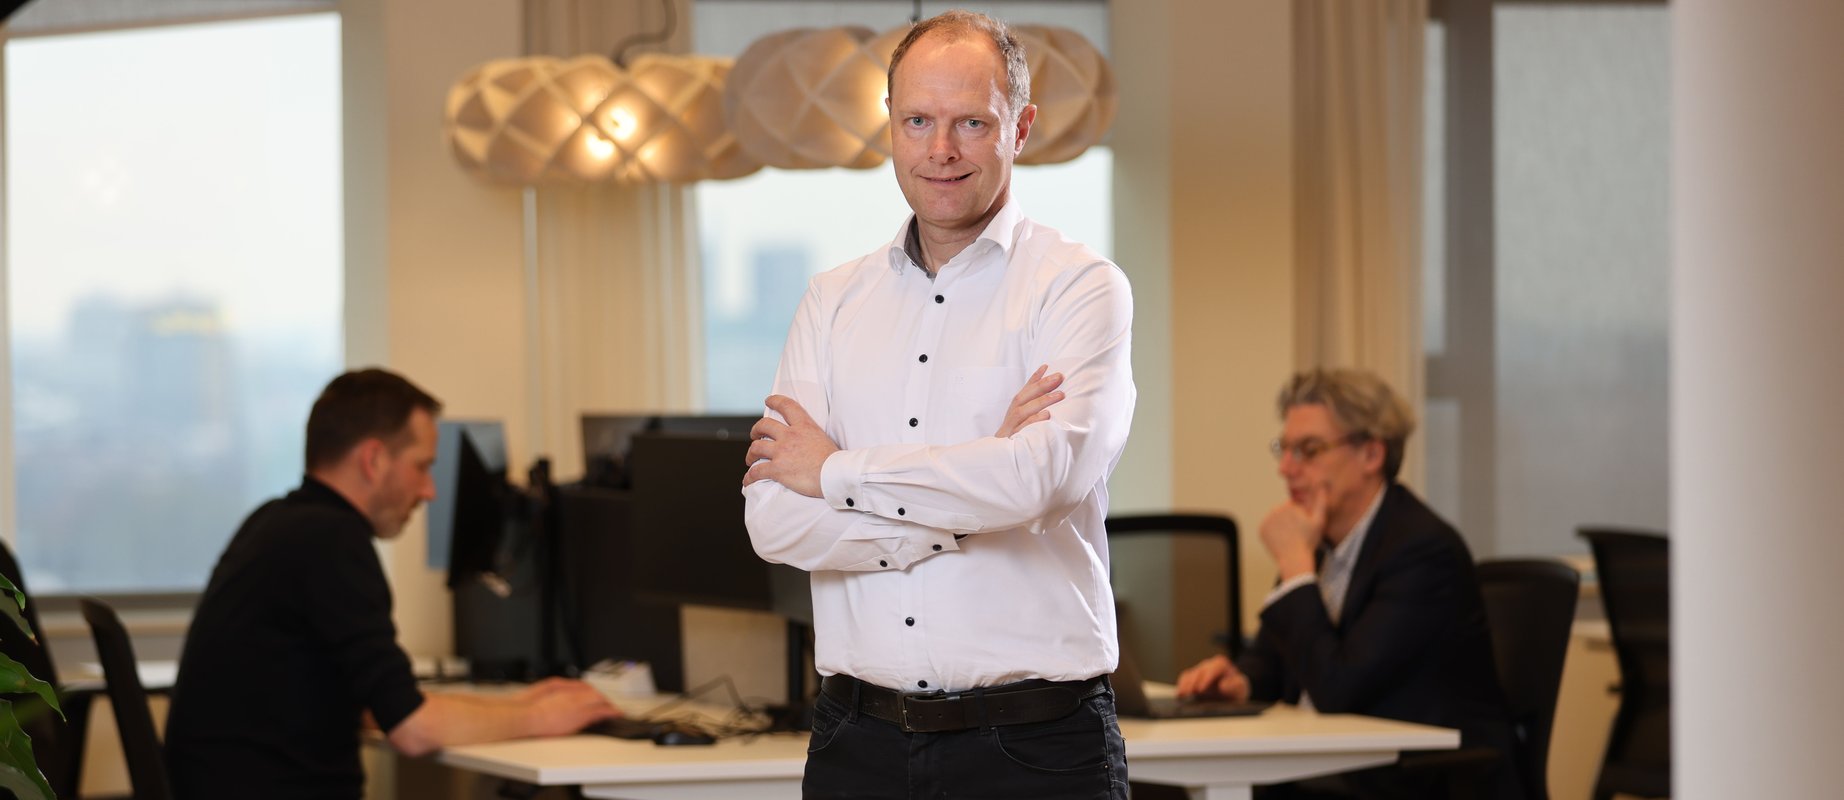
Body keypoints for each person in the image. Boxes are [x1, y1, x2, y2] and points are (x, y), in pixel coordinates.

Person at [740, 10, 1135, 799]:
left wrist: (836, 471)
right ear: (890, 122)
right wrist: (968, 496)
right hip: (857, 745)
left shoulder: (1079, 287)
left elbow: (1039, 482)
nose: (940, 150)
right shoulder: (830, 301)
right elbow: (774, 521)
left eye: (971, 123)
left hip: (1036, 750)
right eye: (918, 120)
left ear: (1019, 128)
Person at [165, 368, 620, 799]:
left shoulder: (278, 523)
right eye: (422, 467)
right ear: (374, 459)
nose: (429, 491)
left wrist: (518, 707)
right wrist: (542, 716)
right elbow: (413, 729)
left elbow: (380, 704)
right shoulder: (332, 540)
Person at [1175, 369, 1520, 799]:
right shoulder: (1319, 544)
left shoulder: (1422, 551)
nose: (1286, 468)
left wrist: (1297, 568)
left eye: (1309, 450)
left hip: (1419, 783)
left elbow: (1338, 687)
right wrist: (1240, 683)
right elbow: (1273, 660)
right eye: (1285, 449)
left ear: (1371, 455)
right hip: (1334, 774)